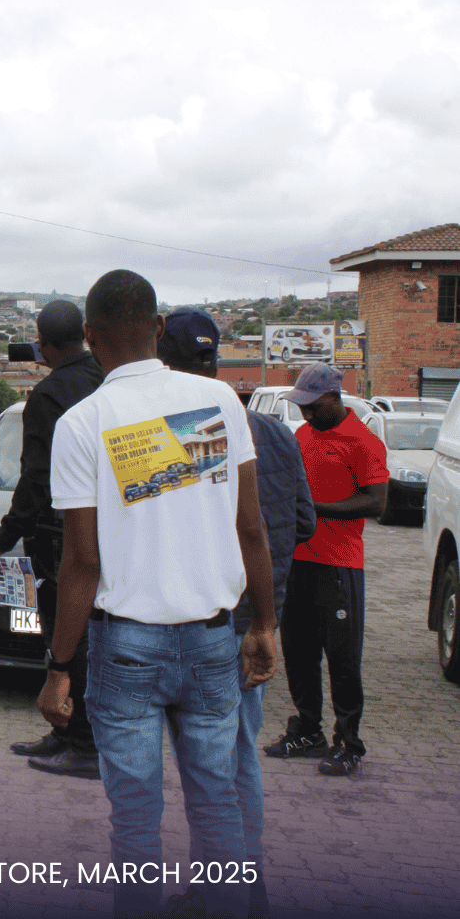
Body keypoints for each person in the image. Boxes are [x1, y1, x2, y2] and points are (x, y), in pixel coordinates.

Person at [41, 270, 277, 919]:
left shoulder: (82, 423)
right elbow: (251, 527)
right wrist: (264, 624)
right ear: (159, 327)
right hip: (213, 641)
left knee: (136, 821)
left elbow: (81, 561)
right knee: (217, 807)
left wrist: (59, 668)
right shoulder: (219, 401)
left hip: (126, 650)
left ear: (90, 337)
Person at [157, 308, 315, 919]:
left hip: (210, 621)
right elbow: (303, 523)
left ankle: (226, 892)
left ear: (164, 362)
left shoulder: (184, 434)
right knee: (237, 753)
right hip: (259, 620)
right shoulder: (273, 431)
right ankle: (243, 884)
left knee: (211, 764)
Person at [0, 300, 104, 779]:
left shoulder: (49, 395)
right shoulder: (104, 378)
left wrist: (2, 538)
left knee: (68, 636)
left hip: (59, 533)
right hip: (108, 527)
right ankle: (67, 733)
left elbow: (37, 478)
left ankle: (84, 742)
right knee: (93, 629)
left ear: (43, 343)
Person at [263, 363, 386, 777]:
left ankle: (348, 742)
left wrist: (313, 509)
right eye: (302, 407)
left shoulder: (363, 442)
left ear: (334, 397)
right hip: (297, 561)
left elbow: (376, 502)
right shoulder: (301, 437)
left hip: (338, 564)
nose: (307, 414)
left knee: (343, 659)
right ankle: (307, 730)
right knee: (298, 653)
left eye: (313, 407)